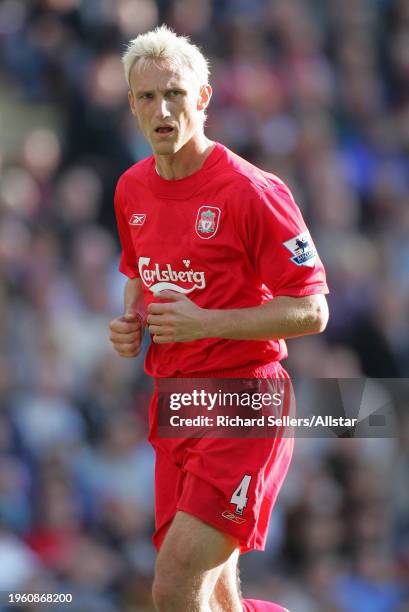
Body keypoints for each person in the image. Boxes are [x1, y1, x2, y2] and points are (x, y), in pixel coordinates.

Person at [109, 25, 329, 612]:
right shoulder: (131, 189)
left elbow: (311, 310)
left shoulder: (252, 190)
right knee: (217, 596)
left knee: (174, 586)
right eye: (148, 97)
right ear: (132, 104)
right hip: (175, 403)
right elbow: (140, 271)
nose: (162, 109)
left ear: (203, 99)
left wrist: (205, 322)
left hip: (243, 404)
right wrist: (131, 320)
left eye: (175, 94)